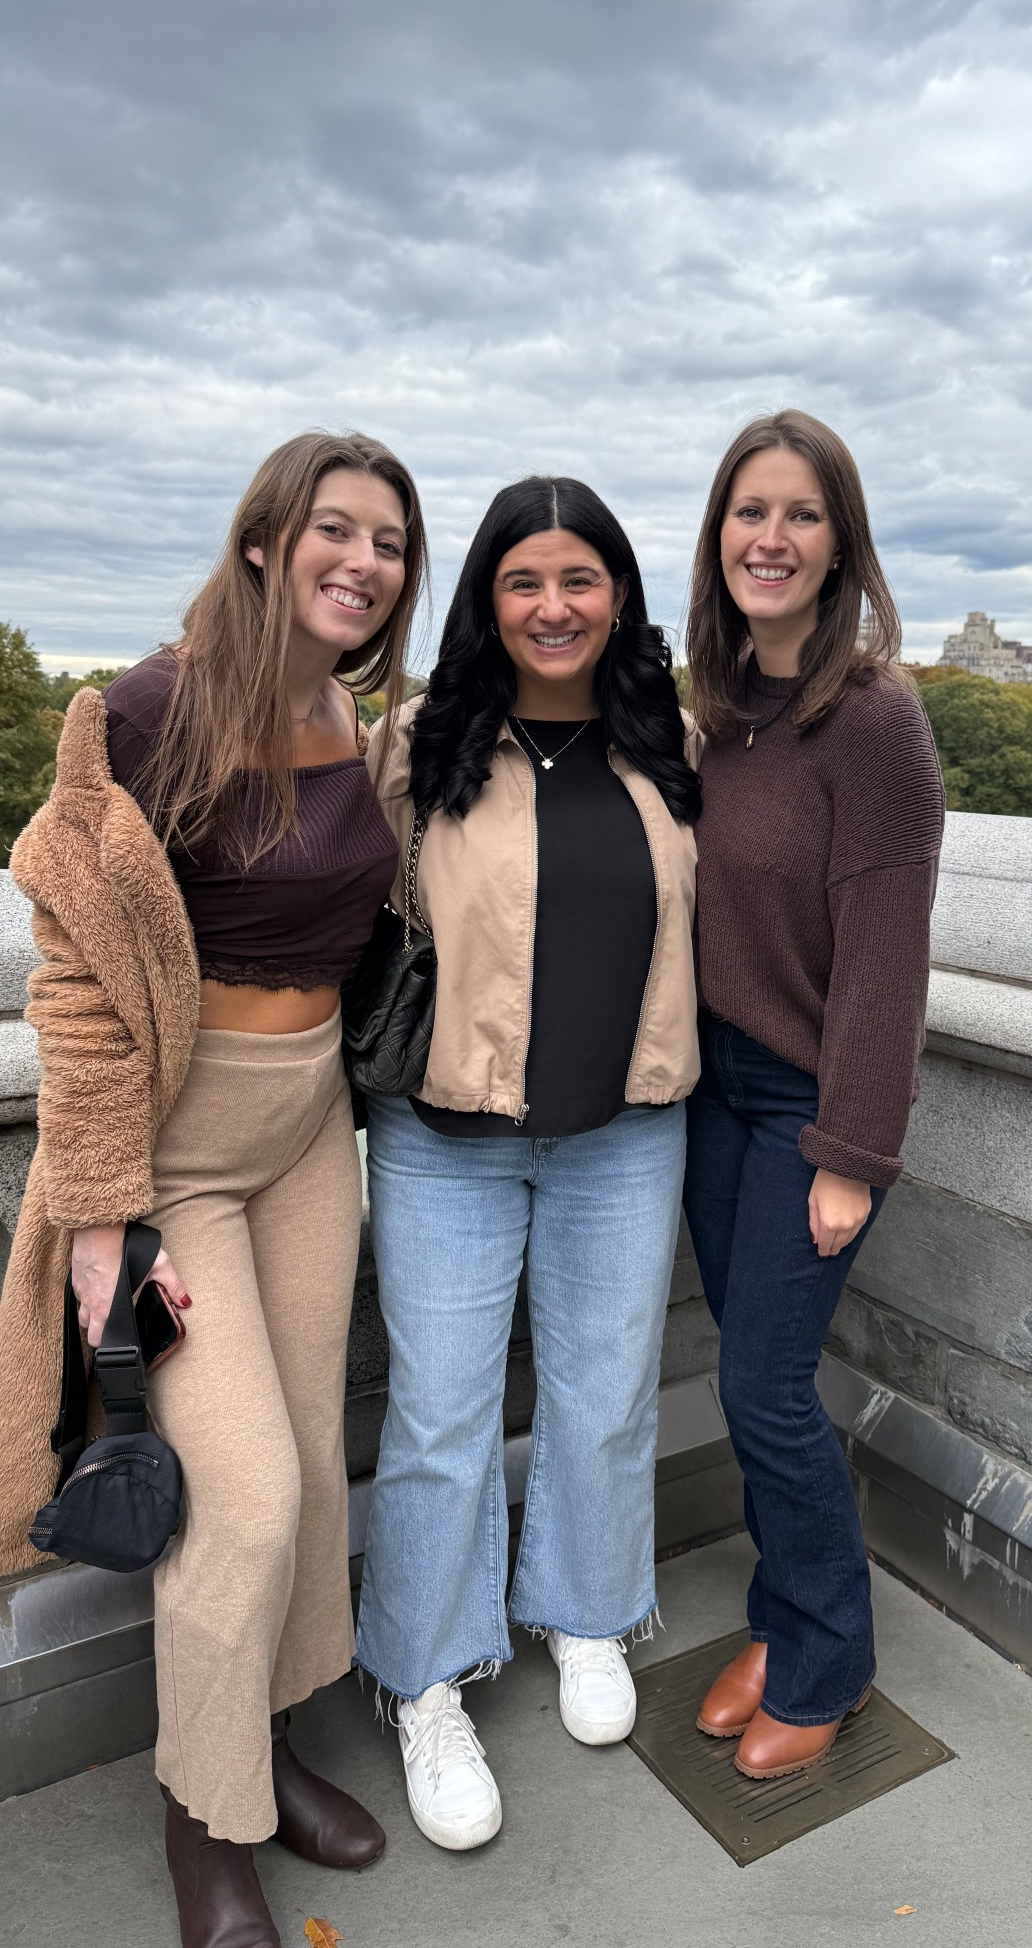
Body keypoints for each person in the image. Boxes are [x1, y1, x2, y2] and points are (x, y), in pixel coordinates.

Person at [0, 430, 428, 1948]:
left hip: (308, 1141)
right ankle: (203, 1818)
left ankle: (269, 1745)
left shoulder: (356, 720)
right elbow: (78, 978)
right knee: (248, 1490)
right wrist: (102, 1216)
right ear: (262, 542)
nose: (365, 563)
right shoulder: (148, 714)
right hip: (177, 1158)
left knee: (306, 1454)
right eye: (336, 532)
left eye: (392, 542)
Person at [357, 475, 701, 1850]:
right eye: (523, 582)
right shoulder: (416, 747)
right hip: (446, 1135)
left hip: (629, 1125)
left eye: (580, 580)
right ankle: (427, 1678)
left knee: (606, 1392)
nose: (553, 607)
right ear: (486, 599)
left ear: (616, 592)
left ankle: (586, 1611)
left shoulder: (672, 742)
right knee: (439, 1416)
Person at [680, 409, 944, 1781]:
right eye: (747, 511)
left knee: (766, 1388)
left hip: (805, 1107)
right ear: (716, 533)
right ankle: (783, 1623)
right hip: (710, 1093)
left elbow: (889, 961)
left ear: (841, 542)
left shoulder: (874, 719)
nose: (768, 539)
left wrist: (850, 1150)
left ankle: (827, 1661)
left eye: (799, 514)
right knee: (749, 1378)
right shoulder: (718, 712)